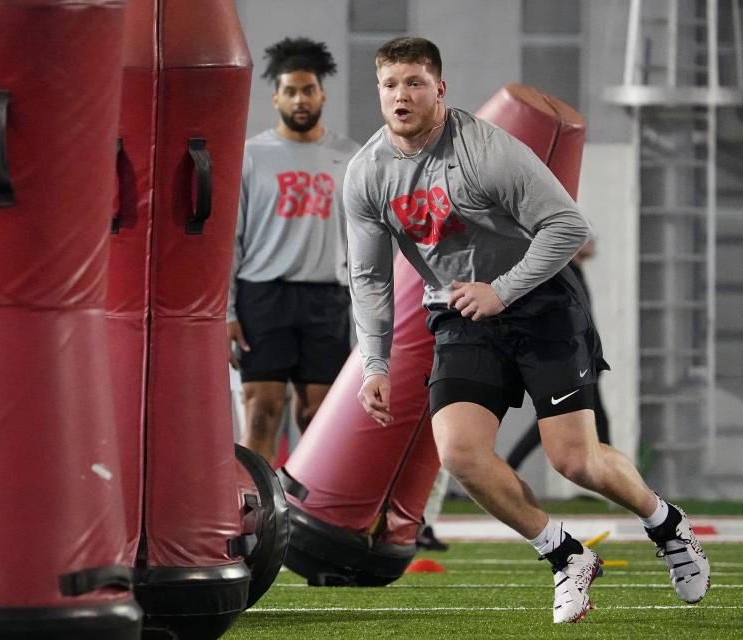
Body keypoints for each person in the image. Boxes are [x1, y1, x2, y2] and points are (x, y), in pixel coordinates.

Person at [344, 36, 710, 624]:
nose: (401, 95)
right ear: (379, 93)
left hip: (540, 303)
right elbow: (368, 277)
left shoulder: (487, 150)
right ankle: (566, 556)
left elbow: (568, 227)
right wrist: (376, 365)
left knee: (576, 461)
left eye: (415, 83)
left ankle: (667, 525)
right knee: (460, 453)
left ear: (440, 89)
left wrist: (502, 289)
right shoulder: (367, 175)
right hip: (461, 312)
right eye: (390, 85)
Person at [228, 37, 360, 465]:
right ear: (276, 98)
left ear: (322, 93)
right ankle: (259, 522)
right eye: (290, 91)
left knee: (319, 417)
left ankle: (311, 523)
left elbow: (365, 239)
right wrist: (228, 311)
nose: (299, 99)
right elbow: (232, 240)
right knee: (262, 412)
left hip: (326, 298)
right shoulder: (252, 156)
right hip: (262, 296)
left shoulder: (349, 156)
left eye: (307, 90)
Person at [505, 240, 612, 471]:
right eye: (586, 237)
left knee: (596, 421)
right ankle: (617, 477)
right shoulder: (563, 275)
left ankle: (616, 476)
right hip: (572, 360)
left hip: (582, 359)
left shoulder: (574, 273)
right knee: (555, 421)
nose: (593, 242)